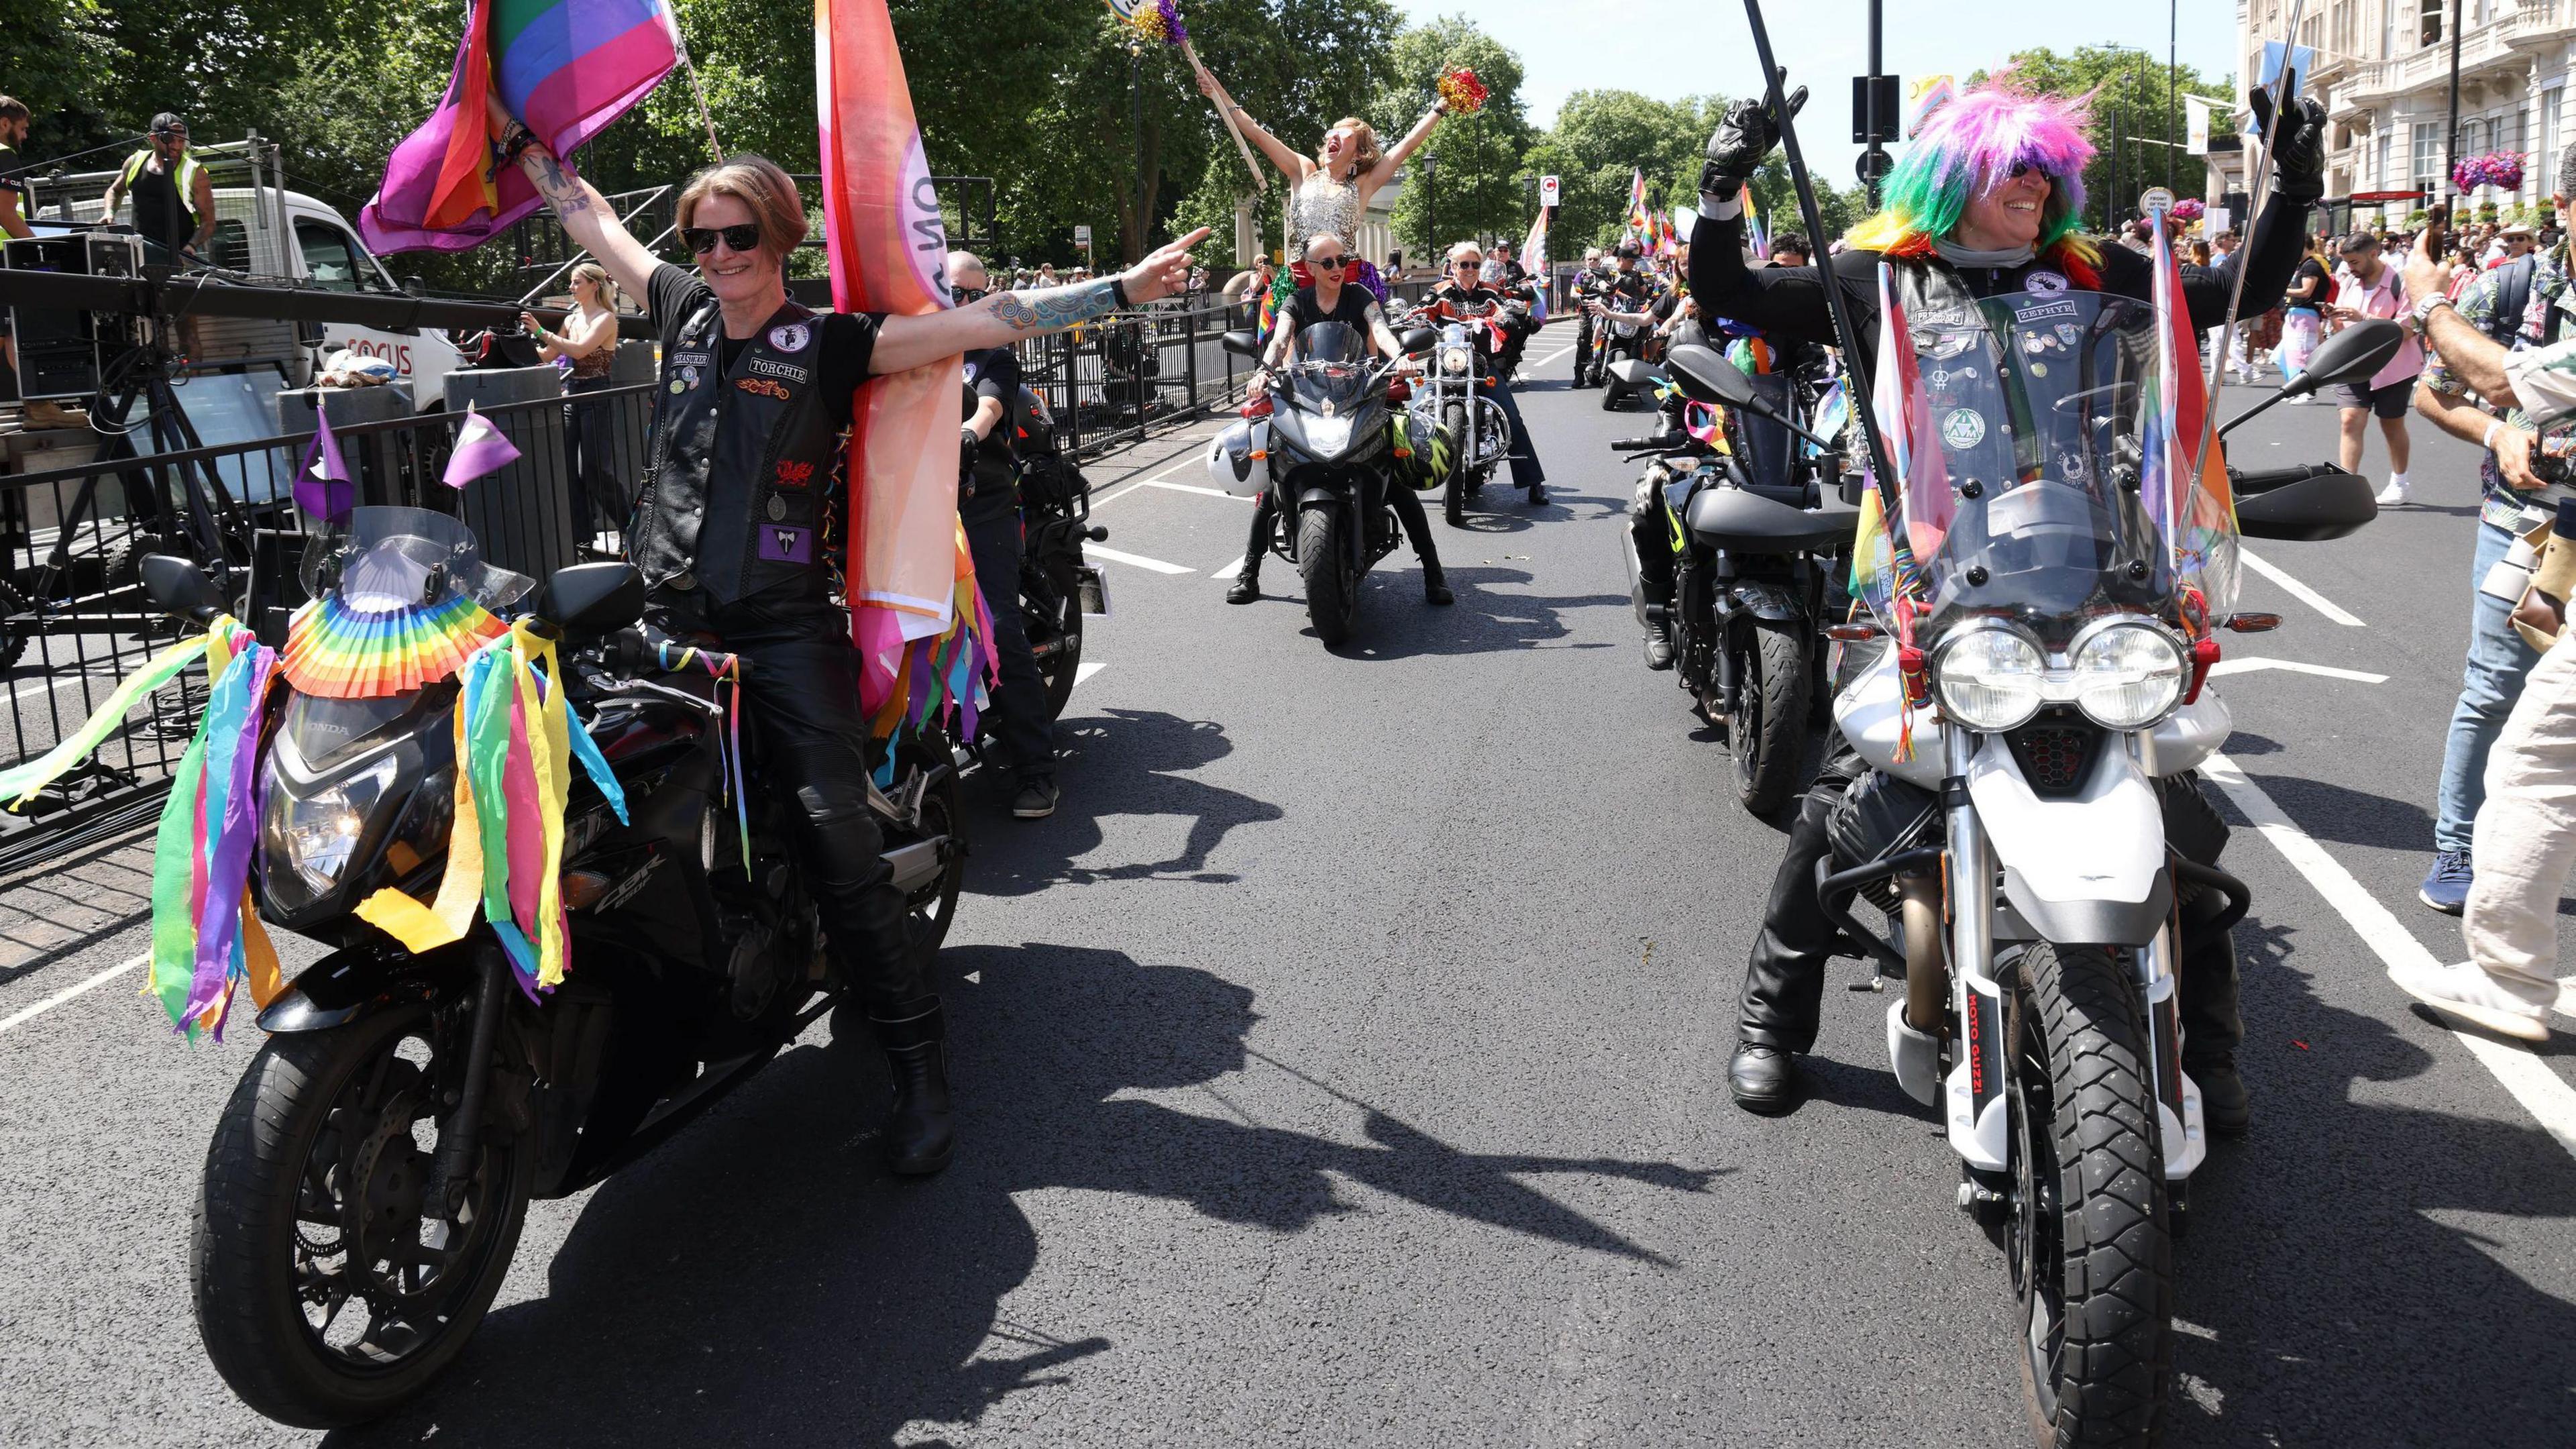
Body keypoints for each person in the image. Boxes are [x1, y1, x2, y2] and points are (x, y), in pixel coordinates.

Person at [497, 115, 1203, 1175]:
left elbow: (983, 324)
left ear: (780, 240)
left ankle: (921, 1071)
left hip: (781, 632)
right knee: (564, 798)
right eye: (703, 238)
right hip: (660, 618)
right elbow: (592, 219)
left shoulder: (832, 341)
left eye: (740, 237)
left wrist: (1117, 293)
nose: (720, 256)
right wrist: (524, 147)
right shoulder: (681, 310)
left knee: (836, 839)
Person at [1687, 78, 2324, 1124]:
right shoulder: (1881, 273)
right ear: (1954, 180)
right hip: (1930, 568)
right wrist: (1723, 188)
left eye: (2046, 169)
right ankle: (1771, 1020)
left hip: (2096, 563)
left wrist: (2292, 184)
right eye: (2010, 168)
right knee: (1846, 799)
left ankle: (2209, 1050)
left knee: (2179, 812)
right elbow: (1741, 295)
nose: (2034, 184)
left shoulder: (2089, 269)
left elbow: (2237, 290)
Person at [2394, 223, 2576, 1037]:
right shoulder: (2513, 285)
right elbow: (2438, 392)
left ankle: (2509, 976)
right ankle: (2458, 849)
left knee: (2537, 756)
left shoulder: (2471, 301)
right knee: (2496, 689)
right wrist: (2498, 432)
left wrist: (2426, 297)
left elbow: (2501, 374)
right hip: (2531, 529)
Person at [1227, 232, 1447, 607]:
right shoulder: (1296, 302)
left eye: (1342, 261)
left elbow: (1380, 330)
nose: (1337, 268)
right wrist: (1265, 370)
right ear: (1310, 269)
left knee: (1395, 482)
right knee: (1274, 485)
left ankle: (1433, 573)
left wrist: (1401, 359)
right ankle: (1249, 573)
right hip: (1309, 398)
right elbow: (1280, 341)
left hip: (1362, 393)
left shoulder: (1360, 296)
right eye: (1327, 262)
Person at [1191, 58, 1446, 319]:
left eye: (1343, 136)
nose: (1332, 139)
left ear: (1358, 154)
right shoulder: (1304, 170)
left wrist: (1441, 105)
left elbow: (1407, 145)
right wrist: (1217, 94)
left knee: (1366, 343)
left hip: (1346, 283)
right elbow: (1255, 132)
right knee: (1284, 348)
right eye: (1330, 135)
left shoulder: (1362, 185)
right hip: (1301, 282)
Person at [945, 250, 1060, 822]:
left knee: (996, 625)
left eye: (972, 294)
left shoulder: (993, 351)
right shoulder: (915, 343)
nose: (960, 303)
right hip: (918, 500)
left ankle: (1037, 770)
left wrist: (970, 432)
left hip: (981, 499)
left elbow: (990, 404)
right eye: (951, 291)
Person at [1426, 240, 1549, 506]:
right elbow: (1423, 309)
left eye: (1475, 264)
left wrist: (1509, 317)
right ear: (1453, 267)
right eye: (1464, 264)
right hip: (1446, 364)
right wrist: (1411, 317)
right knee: (1416, 412)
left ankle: (1534, 482)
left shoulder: (1490, 292)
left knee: (1511, 416)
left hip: (1482, 364)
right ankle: (1402, 480)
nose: (1469, 269)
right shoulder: (1440, 291)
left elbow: (1506, 308)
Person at [523, 263, 623, 545]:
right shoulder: (572, 318)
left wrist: (541, 331)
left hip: (597, 394)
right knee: (566, 468)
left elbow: (580, 350)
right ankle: (583, 536)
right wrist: (523, 340)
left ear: (594, 285)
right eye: (571, 282)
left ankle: (632, 523)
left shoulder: (606, 319)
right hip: (575, 393)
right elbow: (547, 355)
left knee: (593, 470)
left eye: (577, 282)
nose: (571, 287)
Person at [2323, 232, 2422, 506]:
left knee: (2391, 424)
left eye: (2354, 262)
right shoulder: (2349, 282)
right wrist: (2335, 318)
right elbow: (2344, 327)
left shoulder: (2401, 283)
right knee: (2350, 420)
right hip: (2353, 363)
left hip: (2393, 367)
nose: (2350, 268)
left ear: (2374, 255)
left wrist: (2363, 318)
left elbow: (2406, 331)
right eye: (2346, 263)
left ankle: (2400, 483)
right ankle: (2348, 485)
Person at [101, 113, 215, 264]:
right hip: (141, 251)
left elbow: (209, 221)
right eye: (170, 140)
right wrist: (109, 212)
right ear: (153, 138)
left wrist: (191, 246)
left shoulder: (195, 172)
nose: (176, 146)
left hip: (181, 257)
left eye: (181, 141)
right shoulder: (135, 161)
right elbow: (115, 191)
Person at [0, 96, 32, 390]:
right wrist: (39, 247)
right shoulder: (4, 155)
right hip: (2, 257)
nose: (24, 136)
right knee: (15, 330)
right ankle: (39, 406)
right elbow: (5, 214)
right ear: (5, 123)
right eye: (22, 129)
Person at [2276, 235, 2330, 392]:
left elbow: (2306, 291)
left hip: (2305, 315)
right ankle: (2296, 389)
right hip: (2297, 315)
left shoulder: (2311, 266)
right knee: (2287, 355)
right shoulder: (2303, 265)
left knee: (2302, 354)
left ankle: (2307, 391)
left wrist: (2282, 291)